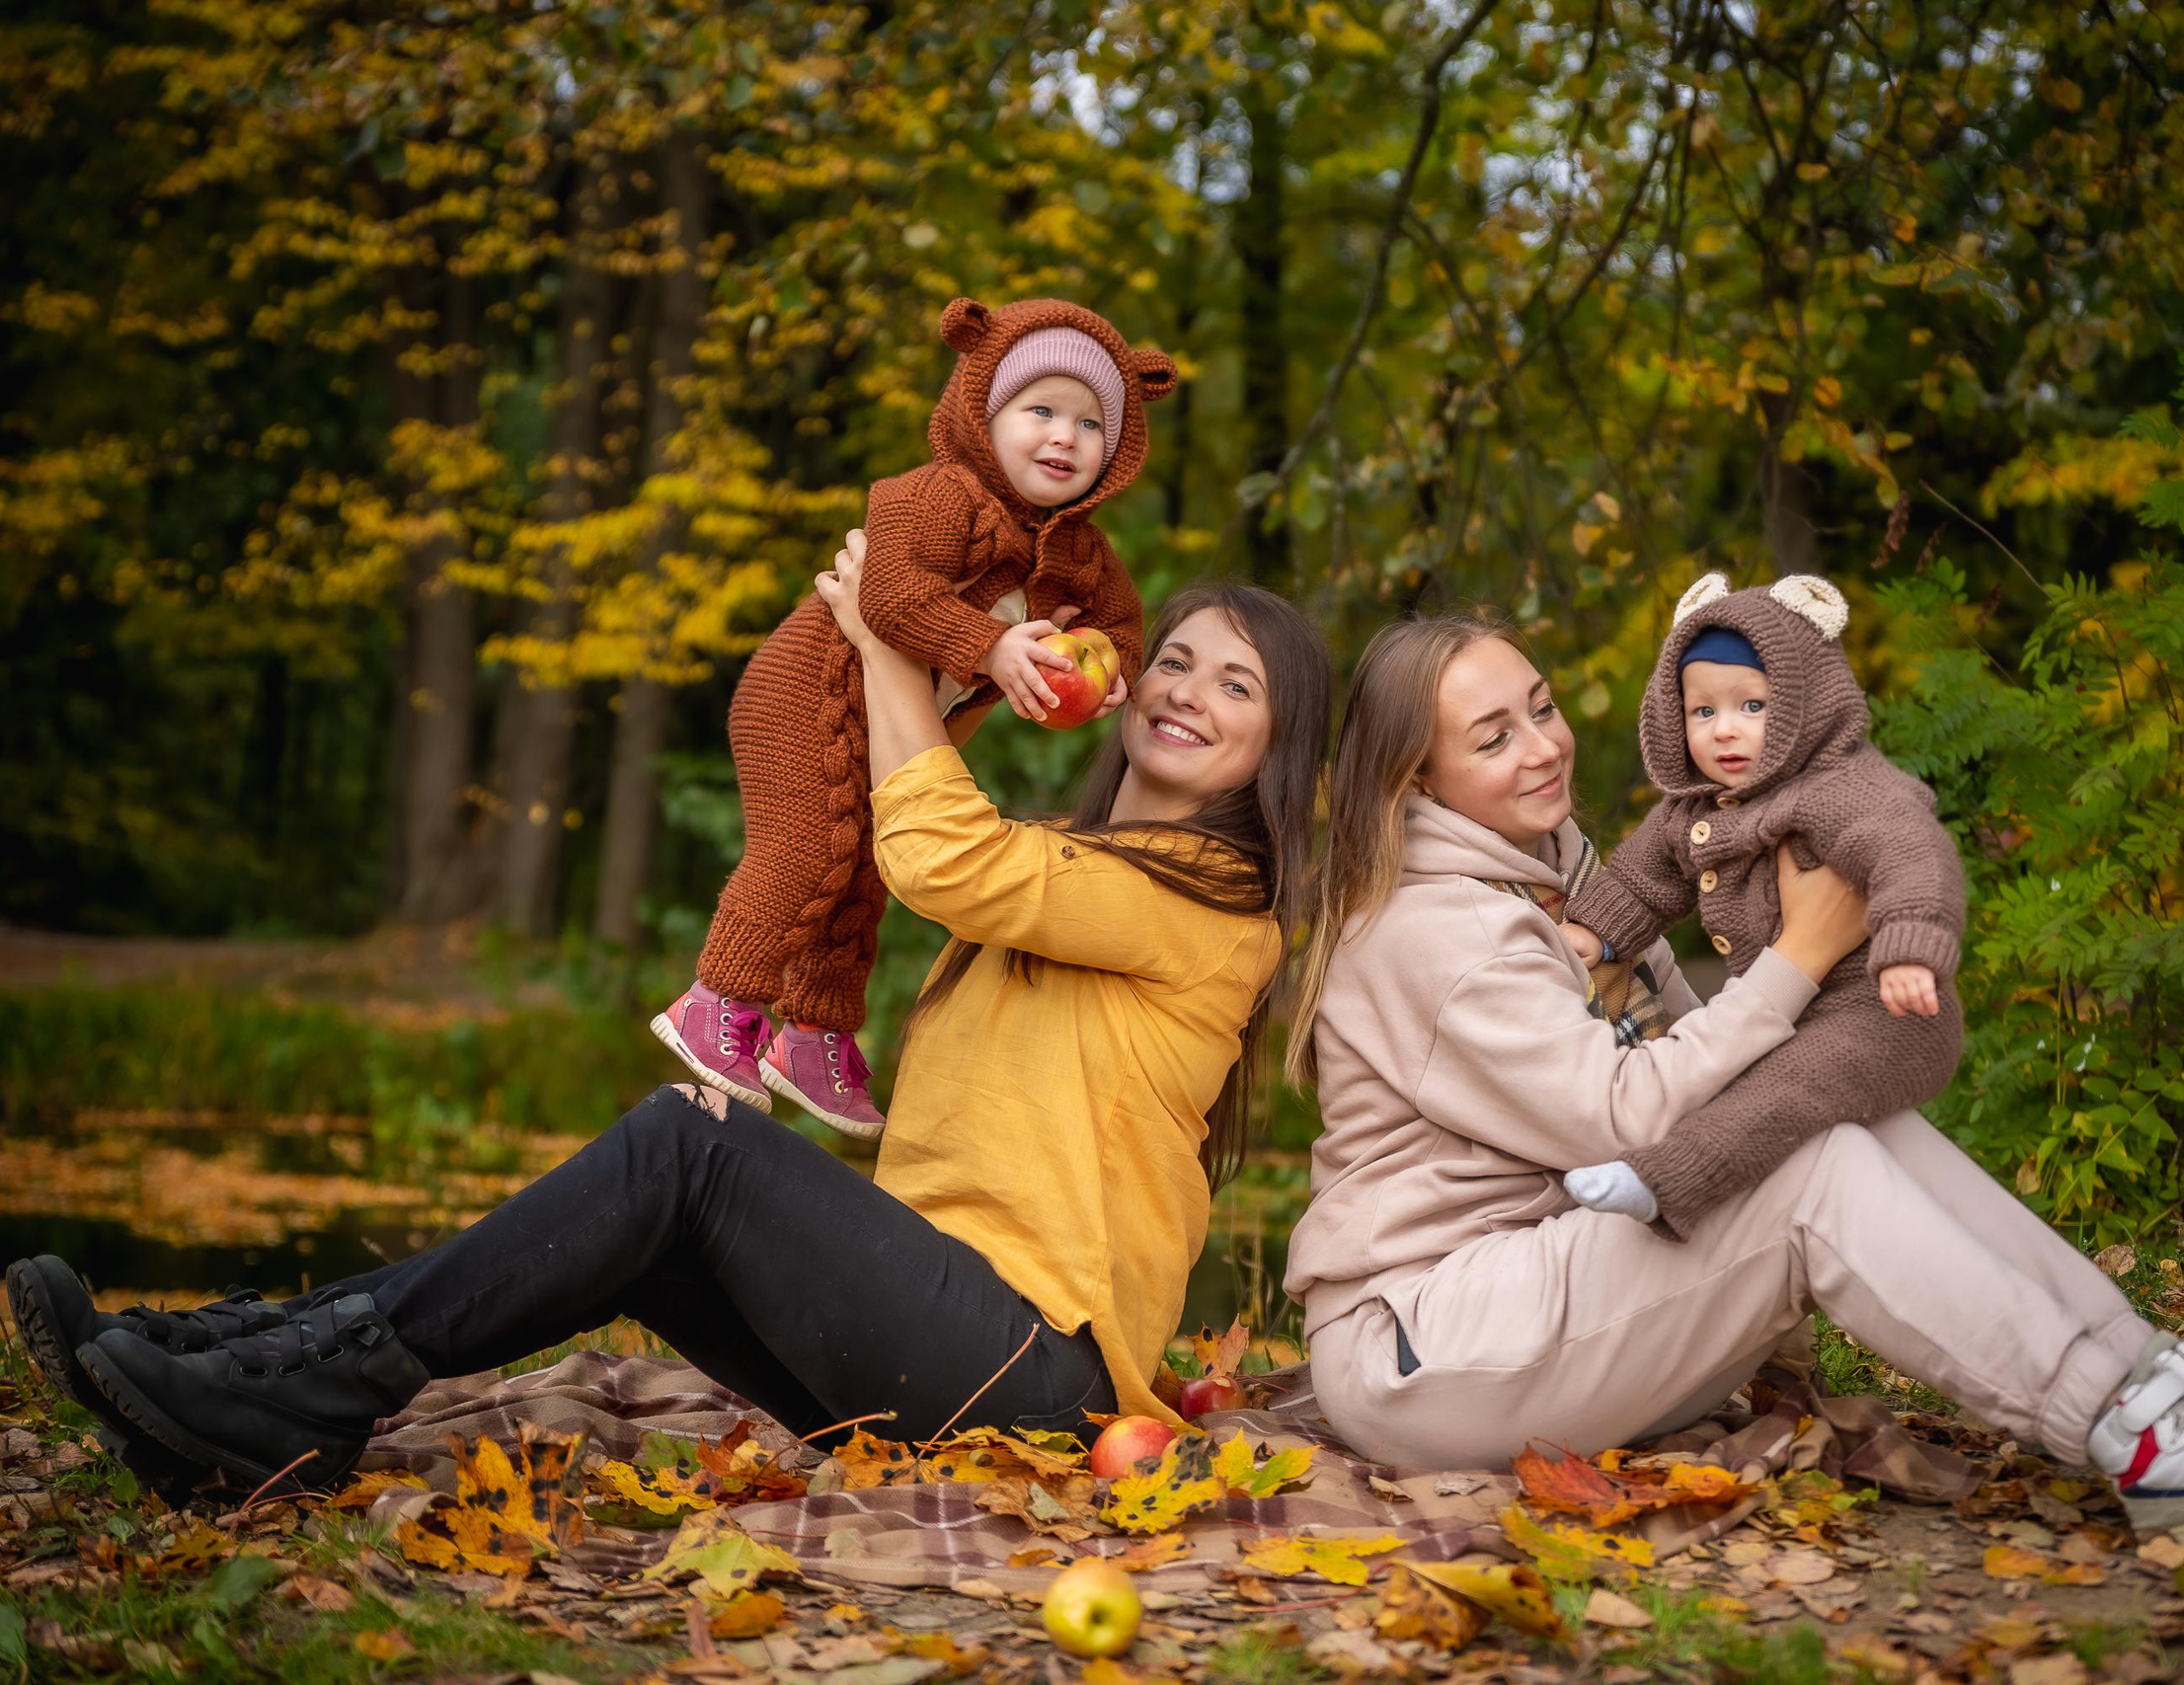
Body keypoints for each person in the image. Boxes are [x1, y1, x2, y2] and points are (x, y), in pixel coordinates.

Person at [8, 551, 1330, 1500]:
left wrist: (881, 639)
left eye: (1237, 685)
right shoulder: (1075, 870)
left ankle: (300, 1378)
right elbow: (910, 828)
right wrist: (944, 641)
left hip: (1037, 1373)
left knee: (688, 1141)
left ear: (1277, 750)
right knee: (649, 1223)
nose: (1185, 690)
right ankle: (240, 1363)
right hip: (940, 1335)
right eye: (1175, 657)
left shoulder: (1217, 912)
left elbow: (939, 852)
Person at [1282, 614, 2184, 1552]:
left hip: (1540, 1301)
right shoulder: (1439, 930)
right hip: (1428, 1346)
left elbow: (1707, 1061)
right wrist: (1804, 953)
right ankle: (2142, 1447)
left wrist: (1807, 992)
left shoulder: (1551, 872)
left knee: (1832, 1108)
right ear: (1415, 777)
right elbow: (1623, 1115)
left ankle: (2160, 1384)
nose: (1542, 746)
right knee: (1808, 1166)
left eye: (1540, 705)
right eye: (1493, 737)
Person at [654, 297, 1181, 1136]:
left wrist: (1114, 666)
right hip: (806, 690)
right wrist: (994, 648)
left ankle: (813, 1033)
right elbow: (891, 595)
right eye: (1039, 410)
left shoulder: (1083, 554)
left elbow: (1119, 622)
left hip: (888, 723)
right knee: (809, 847)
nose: (1064, 436)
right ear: (984, 411)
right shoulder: (941, 496)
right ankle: (716, 998)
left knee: (867, 868)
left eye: (1090, 424)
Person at [1554, 572, 1964, 1231]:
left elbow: (1909, 848)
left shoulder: (1840, 785)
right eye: (1703, 711)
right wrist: (1596, 934)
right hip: (1794, 1012)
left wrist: (1909, 944)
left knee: (1778, 1094)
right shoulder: (1690, 811)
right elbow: (1642, 876)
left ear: (1804, 703)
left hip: (1883, 1013)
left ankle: (1664, 1180)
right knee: (1742, 1082)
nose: (1725, 731)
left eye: (1752, 706)